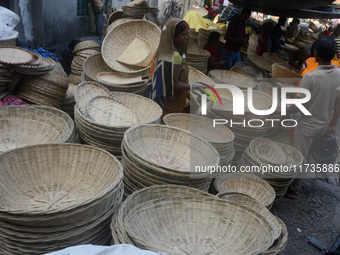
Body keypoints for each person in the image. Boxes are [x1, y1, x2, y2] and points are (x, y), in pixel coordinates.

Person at [285, 37, 340, 199]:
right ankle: (295, 185)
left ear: (316, 53)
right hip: (324, 123)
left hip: (307, 125)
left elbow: (299, 105)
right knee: (307, 157)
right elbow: (338, 103)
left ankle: (292, 190)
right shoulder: (338, 74)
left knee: (299, 157)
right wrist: (333, 124)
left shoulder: (311, 77)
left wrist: (281, 110)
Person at [147, 19, 204, 115]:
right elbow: (175, 84)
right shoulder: (175, 57)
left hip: (157, 97)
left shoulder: (161, 51)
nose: (186, 37)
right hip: (171, 103)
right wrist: (194, 87)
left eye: (187, 34)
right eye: (183, 35)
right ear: (173, 36)